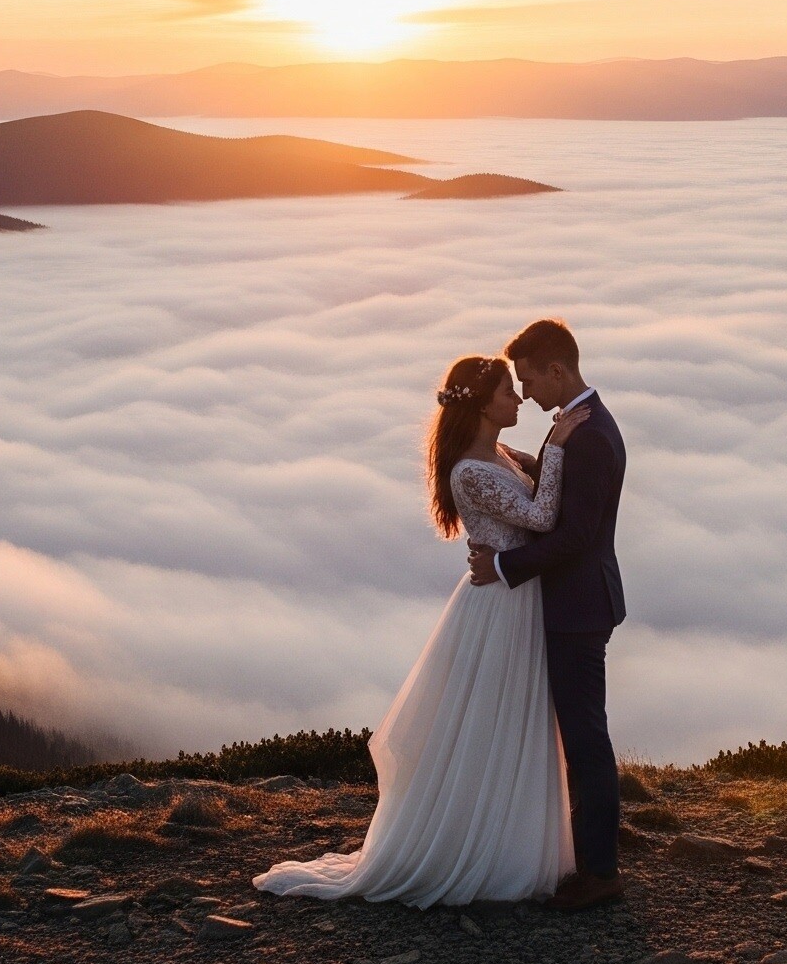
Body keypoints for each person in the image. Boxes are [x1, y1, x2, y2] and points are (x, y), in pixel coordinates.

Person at [253, 350, 594, 907]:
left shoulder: (499, 454)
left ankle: (509, 835)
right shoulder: (470, 471)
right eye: (507, 394)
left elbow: (529, 498)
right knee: (492, 720)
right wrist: (555, 451)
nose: (516, 400)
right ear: (484, 407)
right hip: (501, 609)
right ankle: (477, 844)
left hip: (516, 598)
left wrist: (543, 457)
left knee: (513, 720)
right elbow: (540, 518)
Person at [468, 318, 629, 912]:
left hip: (578, 604)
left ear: (558, 370)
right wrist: (509, 461)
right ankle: (591, 851)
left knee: (585, 737)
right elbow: (556, 502)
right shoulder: (577, 426)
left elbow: (575, 537)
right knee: (580, 733)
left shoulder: (587, 435)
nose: (527, 392)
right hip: (579, 600)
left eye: (530, 379)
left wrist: (504, 569)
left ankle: (600, 873)